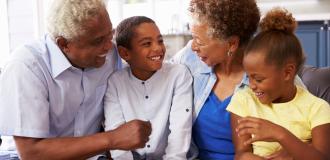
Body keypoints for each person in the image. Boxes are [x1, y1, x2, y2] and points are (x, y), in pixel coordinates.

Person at [0, 0, 151, 159]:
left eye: (110, 34)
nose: (108, 46)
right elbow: (31, 153)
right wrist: (114, 138)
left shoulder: (109, 55)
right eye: (98, 41)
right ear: (64, 44)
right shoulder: (27, 66)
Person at [227, 8, 330, 160]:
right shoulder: (243, 101)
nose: (252, 85)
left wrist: (279, 134)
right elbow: (242, 154)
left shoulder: (317, 108)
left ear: (287, 73)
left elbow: (322, 157)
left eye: (259, 79)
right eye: (248, 77)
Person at [171, 0, 260, 159]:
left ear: (231, 44)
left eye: (199, 41)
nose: (193, 46)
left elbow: (307, 119)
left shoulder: (268, 69)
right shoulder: (190, 58)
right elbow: (157, 79)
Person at [104, 16, 193, 160]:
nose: (158, 48)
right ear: (125, 53)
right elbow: (116, 134)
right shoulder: (115, 82)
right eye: (147, 43)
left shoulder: (179, 75)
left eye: (160, 41)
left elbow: (180, 131)